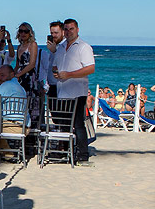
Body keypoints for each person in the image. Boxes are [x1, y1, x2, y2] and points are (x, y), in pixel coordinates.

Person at [52, 18, 95, 163]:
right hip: (62, 91)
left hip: (77, 92)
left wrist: (69, 74)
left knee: (78, 124)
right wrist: (56, 72)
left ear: (77, 30)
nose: (69, 32)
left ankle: (83, 155)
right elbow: (55, 65)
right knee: (63, 123)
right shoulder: (61, 47)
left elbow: (90, 68)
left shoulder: (83, 47)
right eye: (66, 29)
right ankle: (66, 152)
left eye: (71, 29)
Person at [13, 22, 42, 123]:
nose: (23, 33)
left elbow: (32, 64)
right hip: (20, 77)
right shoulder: (19, 47)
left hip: (29, 77)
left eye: (26, 31)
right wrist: (12, 75)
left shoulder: (33, 45)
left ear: (30, 33)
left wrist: (19, 74)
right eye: (21, 31)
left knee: (31, 102)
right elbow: (17, 65)